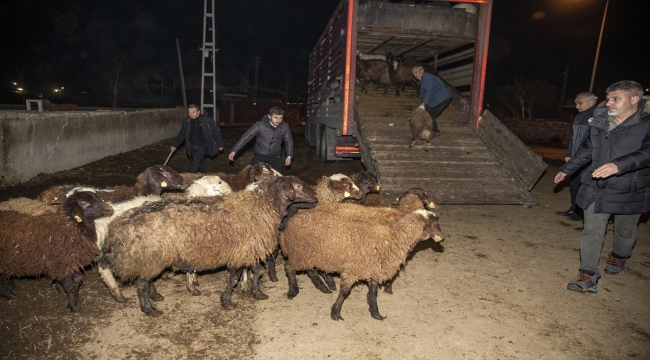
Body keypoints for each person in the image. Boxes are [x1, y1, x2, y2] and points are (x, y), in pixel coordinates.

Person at [554, 80, 650, 293]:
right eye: (609, 98)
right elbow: (588, 149)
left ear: (634, 99)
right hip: (598, 184)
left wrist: (619, 165)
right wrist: (567, 169)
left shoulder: (646, 123)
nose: (610, 103)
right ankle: (587, 274)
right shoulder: (600, 122)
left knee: (625, 230)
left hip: (631, 187)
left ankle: (618, 257)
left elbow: (647, 153)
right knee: (592, 230)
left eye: (617, 98)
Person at [556, 92, 597, 221]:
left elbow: (591, 143)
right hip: (576, 158)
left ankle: (582, 214)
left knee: (584, 187)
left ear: (591, 102)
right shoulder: (578, 117)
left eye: (580, 103)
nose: (576, 106)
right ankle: (574, 209)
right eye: (576, 103)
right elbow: (574, 139)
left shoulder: (597, 118)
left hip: (588, 160)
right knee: (574, 186)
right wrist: (569, 154)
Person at [228, 106, 293, 174]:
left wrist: (289, 156)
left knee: (278, 178)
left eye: (281, 118)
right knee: (253, 176)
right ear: (269, 116)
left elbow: (288, 141)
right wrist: (234, 150)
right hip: (260, 154)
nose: (278, 120)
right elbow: (246, 137)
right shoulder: (260, 125)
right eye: (276, 118)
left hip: (275, 155)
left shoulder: (285, 127)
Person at [171, 104, 224, 173]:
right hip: (192, 145)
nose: (191, 114)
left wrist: (220, 144)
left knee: (195, 161)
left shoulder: (207, 120)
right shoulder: (186, 122)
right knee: (200, 163)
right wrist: (175, 145)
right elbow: (182, 134)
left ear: (198, 112)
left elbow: (216, 132)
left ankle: (188, 176)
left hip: (203, 144)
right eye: (189, 112)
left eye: (193, 112)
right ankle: (205, 175)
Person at [411, 65, 452, 137]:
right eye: (413, 73)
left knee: (428, 114)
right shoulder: (426, 78)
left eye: (416, 72)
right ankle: (432, 130)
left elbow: (428, 91)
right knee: (428, 114)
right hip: (439, 98)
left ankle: (434, 131)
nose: (415, 75)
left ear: (422, 71)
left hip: (441, 98)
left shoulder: (425, 77)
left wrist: (423, 104)